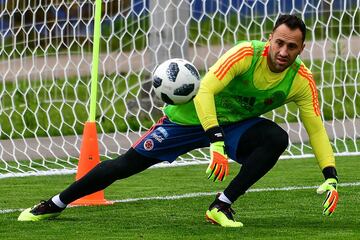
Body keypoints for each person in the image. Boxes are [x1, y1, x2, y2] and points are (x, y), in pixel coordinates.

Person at [18, 14, 339, 227]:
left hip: (235, 126)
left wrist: (330, 175)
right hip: (189, 119)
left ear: (301, 48)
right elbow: (205, 92)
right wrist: (216, 143)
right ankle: (55, 203)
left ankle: (221, 205)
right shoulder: (245, 54)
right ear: (270, 38)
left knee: (276, 139)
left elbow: (315, 129)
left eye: (291, 46)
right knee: (124, 165)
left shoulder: (301, 81)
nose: (283, 51)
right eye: (279, 42)